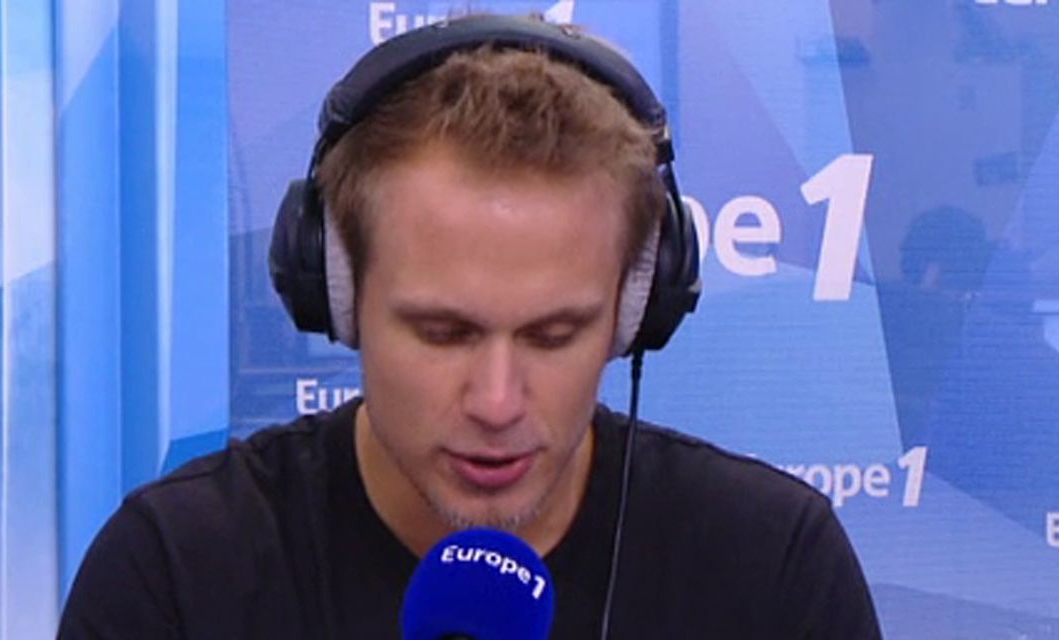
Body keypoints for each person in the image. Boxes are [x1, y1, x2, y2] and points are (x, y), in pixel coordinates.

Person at [59, 14, 881, 639]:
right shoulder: (175, 575)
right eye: (442, 332)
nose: (496, 403)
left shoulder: (773, 572)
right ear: (339, 296)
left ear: (635, 309)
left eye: (554, 336)